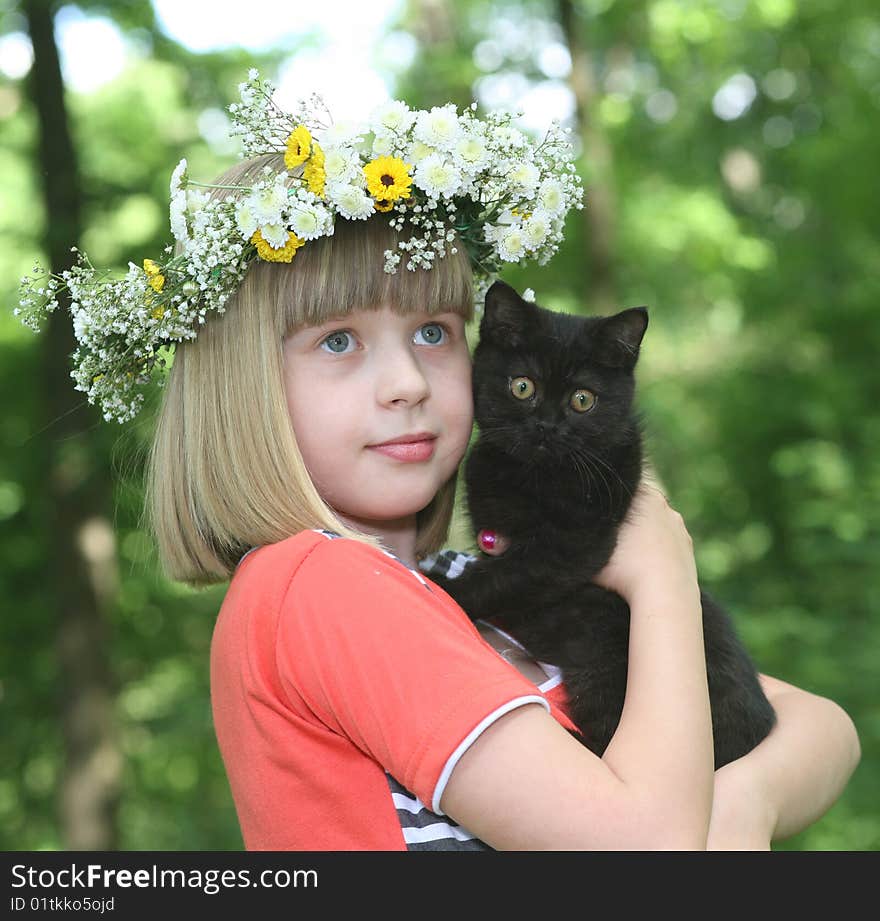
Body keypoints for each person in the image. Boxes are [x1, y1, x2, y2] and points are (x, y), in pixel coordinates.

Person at [20, 73, 859, 851]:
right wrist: (664, 574)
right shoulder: (318, 586)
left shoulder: (469, 585)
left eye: (434, 333)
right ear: (245, 391)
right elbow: (651, 846)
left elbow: (821, 724)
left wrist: (743, 798)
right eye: (339, 341)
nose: (406, 383)